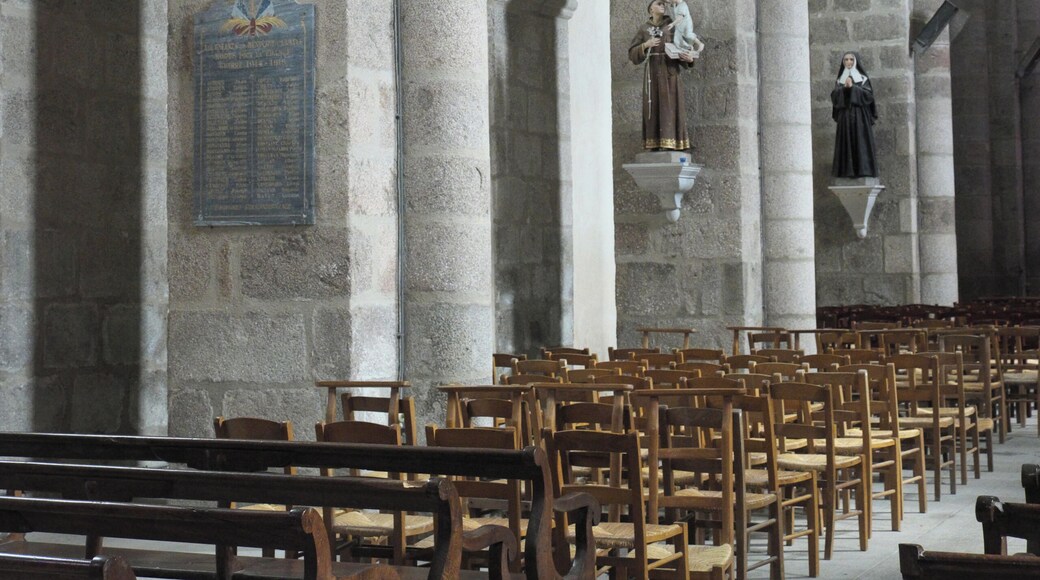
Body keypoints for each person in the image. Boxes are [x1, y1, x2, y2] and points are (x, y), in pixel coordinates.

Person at [629, 0, 696, 151]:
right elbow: (632, 54)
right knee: (652, 106)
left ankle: (671, 143)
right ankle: (654, 144)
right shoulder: (644, 28)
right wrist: (646, 45)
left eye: (663, 4)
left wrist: (689, 58)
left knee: (670, 106)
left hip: (669, 71)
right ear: (650, 8)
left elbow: (684, 41)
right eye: (658, 3)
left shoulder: (671, 24)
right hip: (652, 73)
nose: (662, 6)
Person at [831, 51, 879, 178]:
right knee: (845, 142)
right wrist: (844, 89)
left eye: (851, 59)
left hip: (860, 118)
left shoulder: (863, 79)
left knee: (861, 142)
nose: (848, 62)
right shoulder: (839, 80)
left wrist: (853, 88)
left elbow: (868, 96)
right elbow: (835, 97)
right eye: (846, 60)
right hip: (845, 118)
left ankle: (864, 170)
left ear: (855, 61)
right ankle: (846, 171)